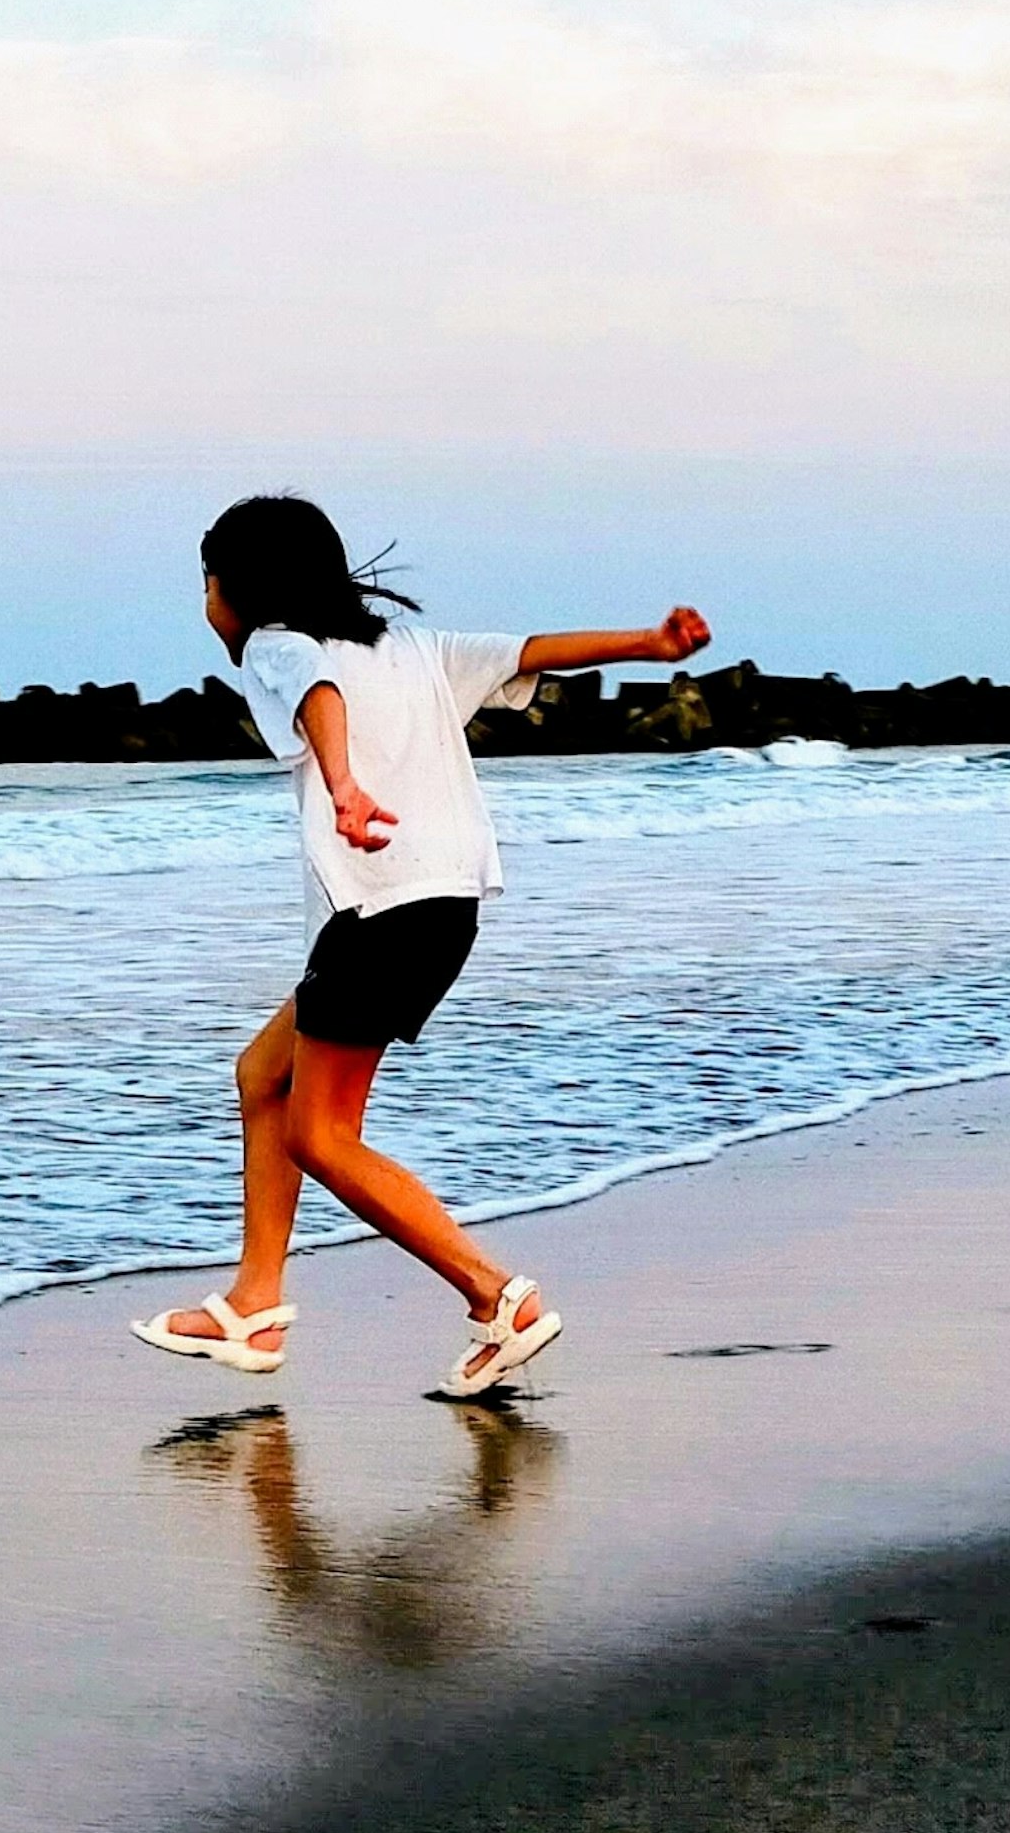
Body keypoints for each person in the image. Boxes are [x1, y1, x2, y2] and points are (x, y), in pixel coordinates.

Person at [133, 492, 711, 1399]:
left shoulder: (275, 649)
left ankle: (495, 1296)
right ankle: (255, 1300)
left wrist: (344, 784)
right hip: (438, 904)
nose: (206, 606)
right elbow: (530, 652)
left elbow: (318, 700)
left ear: (240, 590)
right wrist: (650, 643)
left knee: (321, 1135)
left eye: (208, 585)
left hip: (387, 910)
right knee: (264, 1078)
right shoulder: (411, 649)